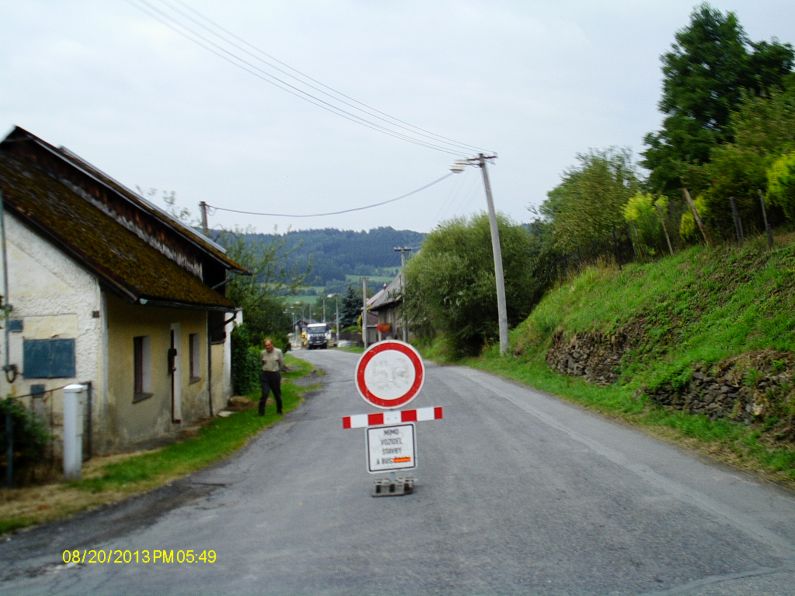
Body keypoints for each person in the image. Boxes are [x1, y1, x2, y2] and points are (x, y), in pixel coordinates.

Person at [259, 338, 285, 416]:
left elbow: (281, 364)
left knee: (277, 393)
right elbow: (261, 362)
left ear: (272, 344)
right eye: (266, 345)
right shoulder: (262, 353)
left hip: (275, 375)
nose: (267, 347)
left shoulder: (278, 352)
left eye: (269, 345)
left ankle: (279, 410)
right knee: (265, 393)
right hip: (265, 375)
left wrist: (277, 371)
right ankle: (261, 412)